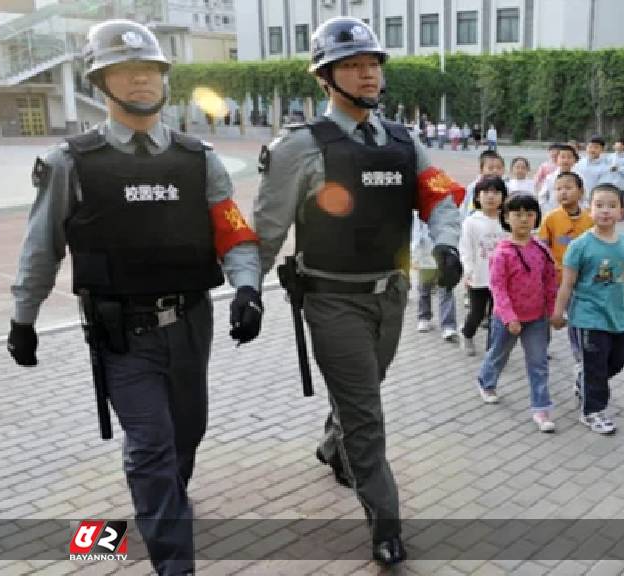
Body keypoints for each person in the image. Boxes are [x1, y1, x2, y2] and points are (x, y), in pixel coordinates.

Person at [5, 20, 262, 576]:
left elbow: (235, 232)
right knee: (150, 444)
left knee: (185, 435)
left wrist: (247, 287)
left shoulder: (199, 159)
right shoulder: (71, 162)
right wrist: (22, 319)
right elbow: (40, 247)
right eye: (126, 71)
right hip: (123, 334)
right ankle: (175, 563)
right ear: (101, 82)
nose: (141, 80)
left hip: (192, 324)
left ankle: (164, 506)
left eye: (149, 70)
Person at [252, 17, 464, 565]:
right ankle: (385, 522)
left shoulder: (403, 141)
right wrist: (247, 289)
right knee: (366, 413)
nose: (367, 74)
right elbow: (268, 230)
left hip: (389, 295)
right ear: (325, 78)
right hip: (331, 300)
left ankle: (332, 445)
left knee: (362, 393)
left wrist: (447, 246)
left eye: (372, 64)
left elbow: (438, 199)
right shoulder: (298, 148)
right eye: (352, 65)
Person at [551, 184, 624, 435]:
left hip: (617, 316)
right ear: (590, 209)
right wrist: (558, 313)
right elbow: (567, 283)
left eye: (612, 206)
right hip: (588, 317)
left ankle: (585, 379)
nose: (605, 211)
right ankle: (592, 411)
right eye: (599, 205)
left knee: (620, 357)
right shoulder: (580, 246)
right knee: (596, 366)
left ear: (621, 211)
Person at [476, 193, 557, 432]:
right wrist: (509, 317)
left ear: (536, 218)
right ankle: (486, 381)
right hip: (507, 319)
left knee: (538, 363)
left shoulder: (542, 250)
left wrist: (552, 311)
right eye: (517, 214)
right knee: (499, 354)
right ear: (506, 218)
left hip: (537, 318)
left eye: (529, 214)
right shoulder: (502, 253)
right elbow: (498, 288)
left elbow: (550, 282)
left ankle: (541, 408)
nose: (523, 220)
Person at [538, 171, 593, 368]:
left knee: (576, 319)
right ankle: (540, 349)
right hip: (554, 281)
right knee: (545, 317)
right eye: (559, 188)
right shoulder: (550, 219)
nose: (563, 192)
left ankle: (580, 358)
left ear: (580, 191)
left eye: (568, 188)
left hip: (581, 283)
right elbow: (541, 249)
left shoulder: (589, 219)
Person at [458, 176, 509, 356]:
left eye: (496, 192)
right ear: (477, 196)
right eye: (486, 192)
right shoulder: (471, 222)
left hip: (502, 278)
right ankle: (467, 333)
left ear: (503, 196)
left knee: (497, 315)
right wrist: (468, 271)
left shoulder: (507, 221)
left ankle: (492, 348)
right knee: (477, 313)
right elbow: (465, 249)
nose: (491, 196)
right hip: (479, 276)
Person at [413, 215, 458, 342]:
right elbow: (416, 232)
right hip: (425, 253)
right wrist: (415, 253)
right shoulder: (421, 210)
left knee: (446, 289)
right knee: (424, 287)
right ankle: (424, 317)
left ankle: (448, 326)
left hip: (446, 252)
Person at [459, 150, 506, 221]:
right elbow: (467, 206)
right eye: (490, 168)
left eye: (499, 168)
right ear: (481, 170)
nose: (495, 171)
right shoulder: (475, 186)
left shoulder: (506, 185)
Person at [539, 144, 579, 215]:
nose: (566, 160)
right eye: (562, 157)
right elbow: (542, 197)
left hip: (574, 215)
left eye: (569, 157)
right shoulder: (550, 178)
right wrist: (548, 211)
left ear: (574, 160)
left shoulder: (580, 177)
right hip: (553, 213)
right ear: (557, 159)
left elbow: (585, 199)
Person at [574, 135, 612, 201]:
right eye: (590, 147)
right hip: (577, 199)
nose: (592, 150)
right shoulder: (579, 163)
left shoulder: (605, 167)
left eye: (596, 147)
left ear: (602, 150)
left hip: (594, 200)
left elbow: (603, 187)